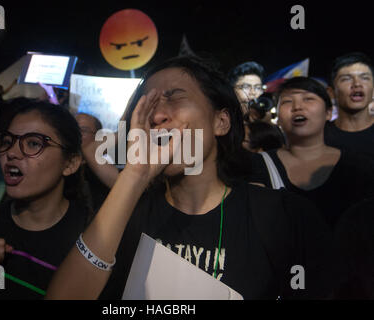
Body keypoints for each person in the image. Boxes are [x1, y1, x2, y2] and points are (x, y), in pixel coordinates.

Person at [46, 56, 336, 300]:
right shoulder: (124, 213)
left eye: (174, 97)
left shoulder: (285, 215)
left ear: (221, 122)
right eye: (146, 105)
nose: (158, 114)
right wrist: (135, 174)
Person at [0, 98, 93, 299]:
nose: (11, 153)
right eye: (7, 142)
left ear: (70, 163)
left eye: (33, 143)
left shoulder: (91, 238)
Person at [250, 77, 374, 228]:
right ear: (278, 118)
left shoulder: (359, 167)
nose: (297, 107)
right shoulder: (256, 165)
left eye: (308, 99)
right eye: (287, 101)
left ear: (328, 112)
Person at [325, 52, 374, 160]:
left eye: (365, 78)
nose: (357, 84)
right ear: (331, 92)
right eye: (346, 79)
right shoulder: (318, 138)